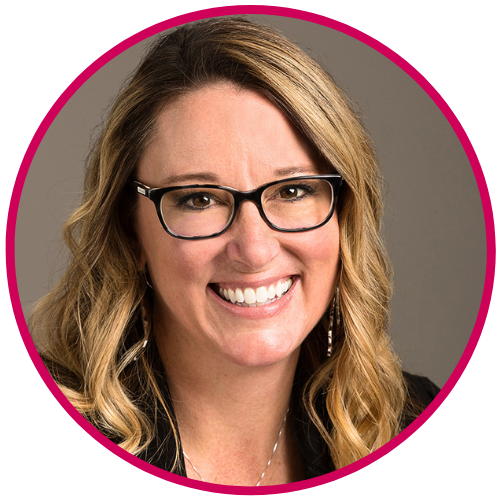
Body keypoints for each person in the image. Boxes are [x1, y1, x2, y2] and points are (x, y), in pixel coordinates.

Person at [29, 16, 440, 486]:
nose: (255, 249)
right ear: (130, 231)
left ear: (345, 214)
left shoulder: (409, 419)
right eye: (199, 199)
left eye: (292, 191)